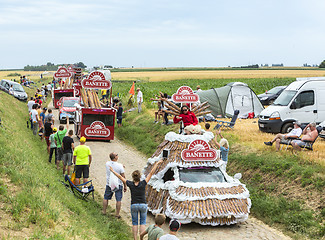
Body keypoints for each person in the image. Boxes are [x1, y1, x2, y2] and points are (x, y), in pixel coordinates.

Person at [110, 159, 163, 240]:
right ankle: (141, 238)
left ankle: (135, 238)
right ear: (140, 177)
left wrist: (113, 171)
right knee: (142, 223)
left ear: (133, 177)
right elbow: (151, 172)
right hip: (143, 204)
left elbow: (120, 177)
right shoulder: (143, 183)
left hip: (134, 204)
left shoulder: (130, 184)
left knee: (135, 223)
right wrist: (158, 163)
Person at [102, 152, 127, 218]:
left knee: (106, 198)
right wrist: (125, 186)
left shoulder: (107, 164)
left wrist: (121, 165)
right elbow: (123, 176)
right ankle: (117, 214)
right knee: (118, 200)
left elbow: (113, 164)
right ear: (115, 157)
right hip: (118, 184)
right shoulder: (120, 166)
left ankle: (104, 211)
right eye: (117, 155)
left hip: (109, 183)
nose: (118, 156)